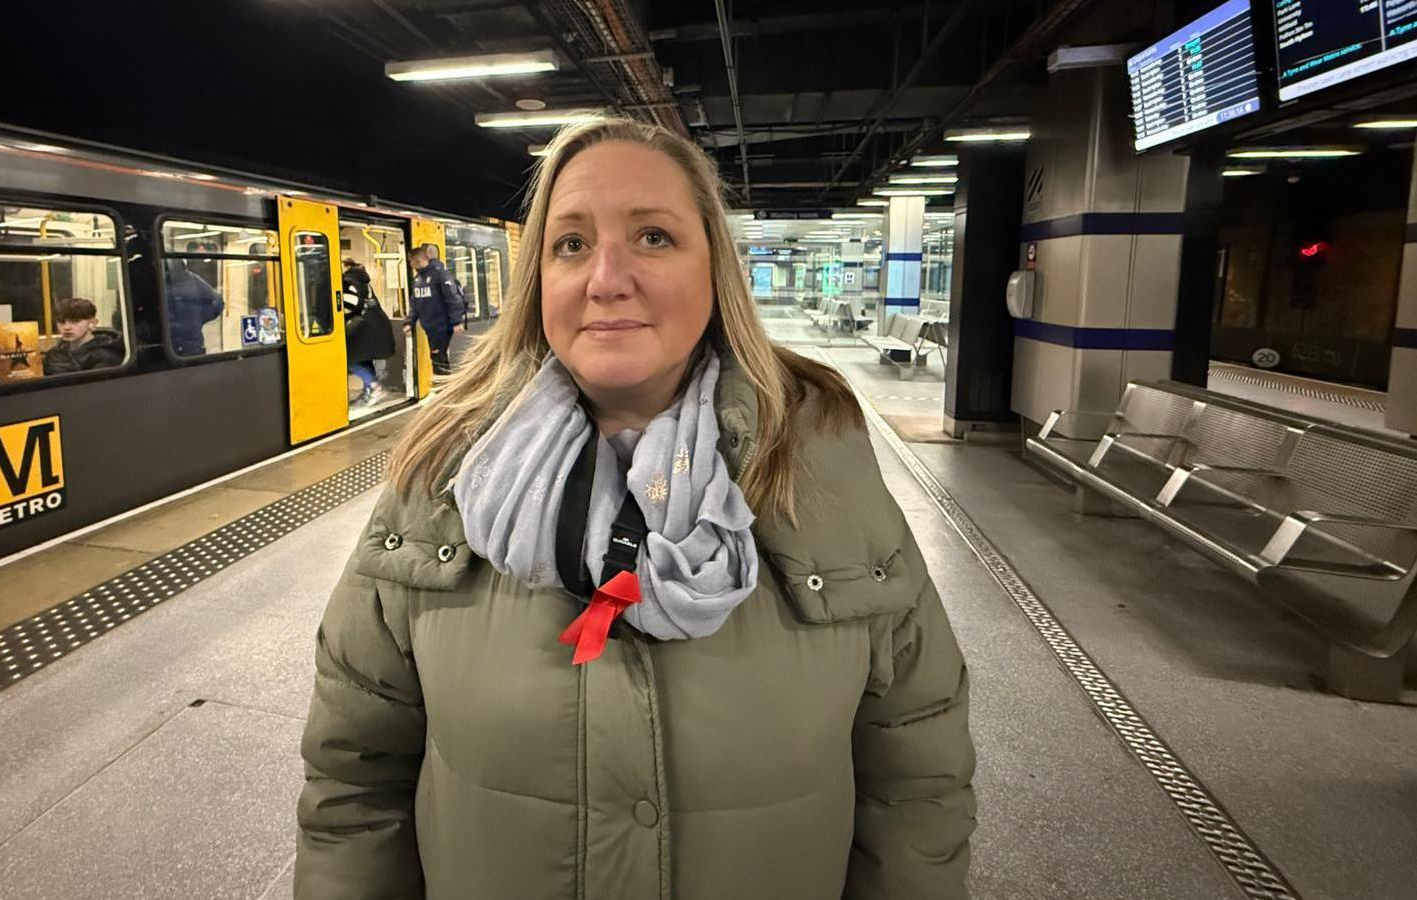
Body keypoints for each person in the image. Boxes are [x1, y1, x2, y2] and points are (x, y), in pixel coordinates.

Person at [294, 118, 976, 899]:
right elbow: (354, 783)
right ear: (538, 279)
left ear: (714, 269)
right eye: (571, 244)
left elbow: (918, 779)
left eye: (653, 237)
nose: (606, 277)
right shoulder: (440, 476)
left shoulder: (822, 463)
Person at [403, 245, 465, 375]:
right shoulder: (418, 279)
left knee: (438, 357)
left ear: (418, 260)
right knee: (437, 356)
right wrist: (409, 322)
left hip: (442, 325)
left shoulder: (440, 275)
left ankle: (444, 387)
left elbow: (452, 298)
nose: (410, 263)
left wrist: (456, 322)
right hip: (430, 325)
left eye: (411, 260)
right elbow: (415, 303)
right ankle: (443, 385)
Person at [344, 259, 395, 405]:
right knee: (364, 359)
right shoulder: (363, 281)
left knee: (348, 360)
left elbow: (348, 305)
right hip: (374, 325)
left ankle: (374, 387)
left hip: (361, 328)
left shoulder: (349, 281)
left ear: (346, 266)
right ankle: (369, 391)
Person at [44, 297, 125, 374]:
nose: (66, 327)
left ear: (92, 323)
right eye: (61, 322)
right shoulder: (54, 354)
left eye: (75, 321)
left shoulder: (106, 356)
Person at [164, 260, 225, 356]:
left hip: (171, 347)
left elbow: (217, 302)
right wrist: (198, 319)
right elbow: (218, 302)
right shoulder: (194, 280)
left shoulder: (160, 284)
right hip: (193, 347)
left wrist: (199, 318)